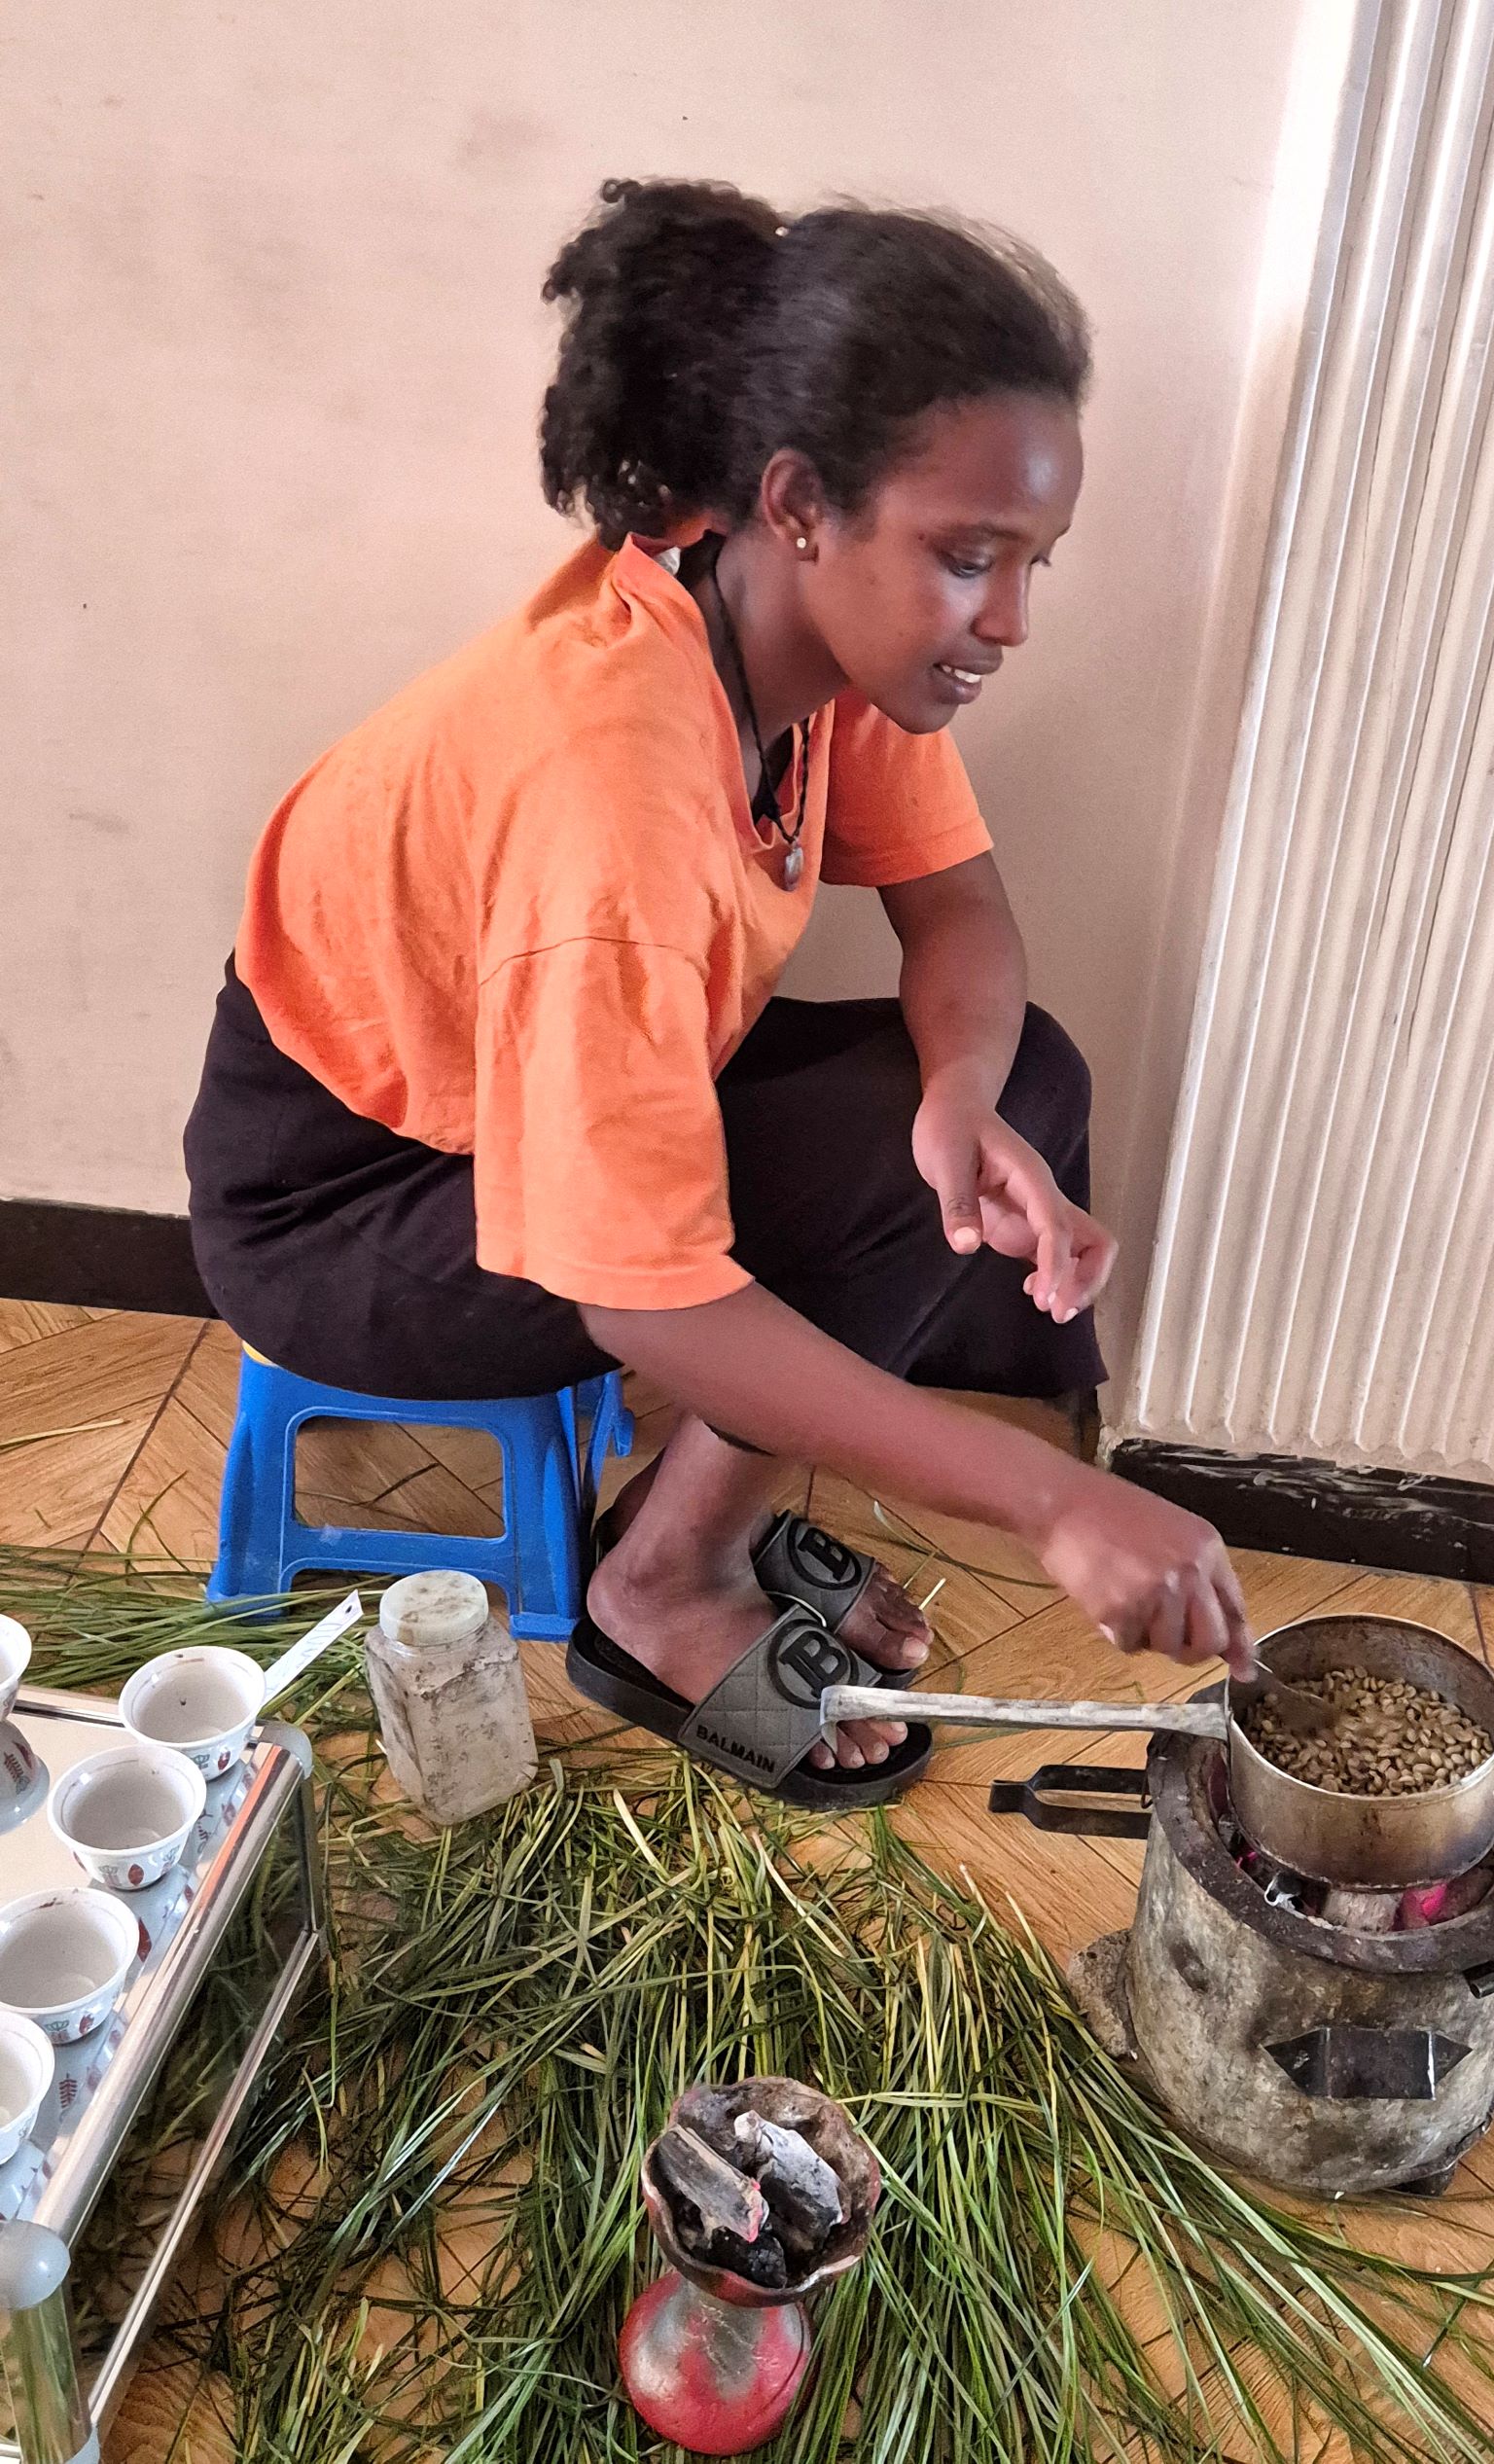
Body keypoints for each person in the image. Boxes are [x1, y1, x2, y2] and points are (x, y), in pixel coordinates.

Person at [186, 178, 1252, 1808]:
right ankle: (659, 1587)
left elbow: (959, 910)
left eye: (1033, 562)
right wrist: (1048, 1501)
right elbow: (645, 1298)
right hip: (348, 1201)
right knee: (851, 1206)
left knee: (1017, 1084)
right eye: (970, 558)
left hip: (515, 1107)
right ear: (801, 502)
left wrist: (960, 1102)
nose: (1012, 621)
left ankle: (699, 1519)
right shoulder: (614, 788)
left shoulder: (805, 630)